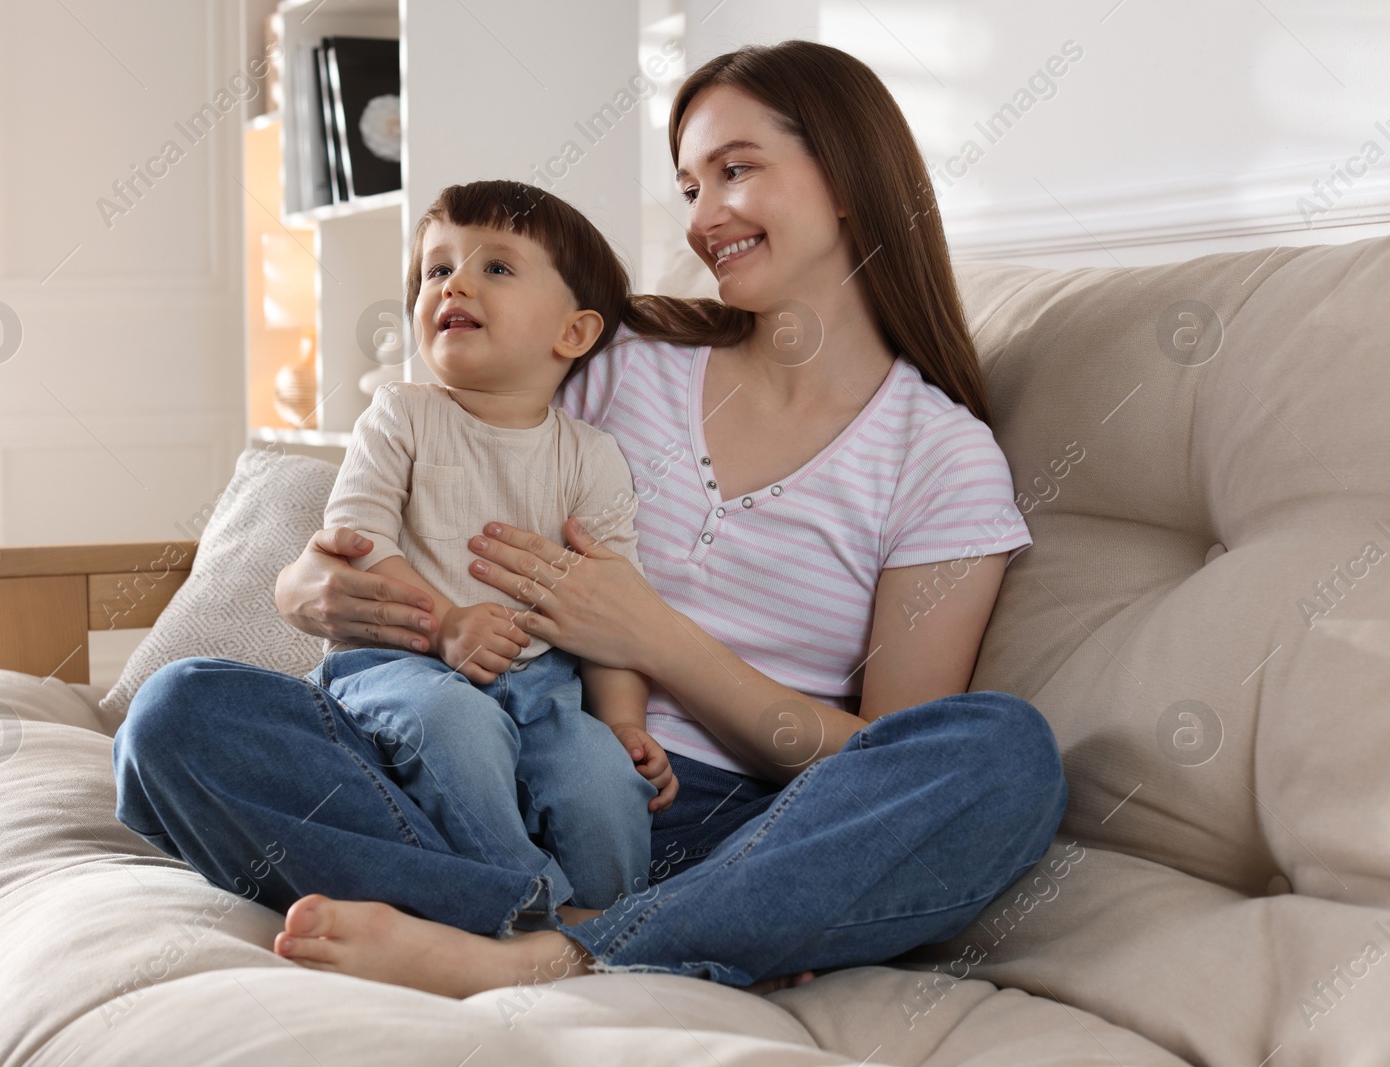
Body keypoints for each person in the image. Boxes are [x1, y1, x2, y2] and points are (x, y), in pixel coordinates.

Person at [112, 39, 1068, 999]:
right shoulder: (618, 357)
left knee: (1002, 755)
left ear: (849, 174)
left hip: (732, 827)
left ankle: (533, 947)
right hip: (481, 759)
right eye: (690, 186)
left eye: (736, 171)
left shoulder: (941, 457)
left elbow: (881, 755)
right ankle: (587, 923)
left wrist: (656, 638)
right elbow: (414, 495)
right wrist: (312, 586)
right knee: (178, 714)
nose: (704, 217)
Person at [311, 179, 676, 914]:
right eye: (436, 270)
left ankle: (612, 918)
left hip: (545, 694)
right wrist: (445, 623)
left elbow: (614, 613)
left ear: (573, 334)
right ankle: (525, 904)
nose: (455, 284)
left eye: (495, 268)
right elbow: (358, 541)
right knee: (458, 723)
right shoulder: (401, 417)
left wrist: (626, 724)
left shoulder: (592, 457)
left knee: (601, 779)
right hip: (399, 667)